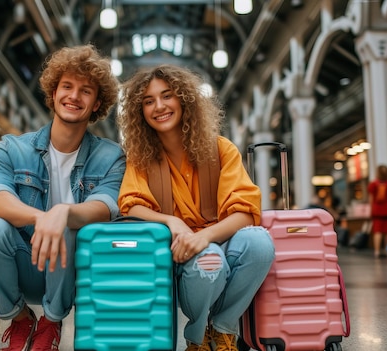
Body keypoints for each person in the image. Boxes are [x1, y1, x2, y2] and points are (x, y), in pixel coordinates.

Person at [0, 44, 124, 351]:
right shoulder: (12, 148)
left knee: (69, 223)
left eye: (86, 91)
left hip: (78, 271)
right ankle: (18, 318)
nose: (74, 96)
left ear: (96, 104)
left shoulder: (111, 156)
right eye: (66, 86)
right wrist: (42, 217)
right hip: (24, 261)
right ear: (53, 93)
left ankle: (51, 322)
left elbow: (108, 206)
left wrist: (63, 214)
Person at [116, 65, 275, 351]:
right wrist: (171, 222)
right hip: (181, 256)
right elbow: (131, 206)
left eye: (167, 96)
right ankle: (198, 338)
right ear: (139, 112)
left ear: (185, 100)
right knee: (208, 259)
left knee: (260, 242)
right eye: (148, 101)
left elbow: (245, 211)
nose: (159, 106)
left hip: (219, 242)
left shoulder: (221, 149)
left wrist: (203, 236)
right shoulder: (140, 158)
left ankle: (223, 329)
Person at [367, 165, 387, 258]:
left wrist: (370, 211)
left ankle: (377, 251)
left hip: (376, 210)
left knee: (377, 231)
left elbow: (371, 199)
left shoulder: (373, 184)